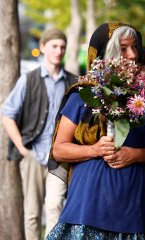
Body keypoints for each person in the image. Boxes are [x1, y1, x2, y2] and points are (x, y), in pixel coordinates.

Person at [46, 22, 145, 239]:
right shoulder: (83, 96)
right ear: (105, 54)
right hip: (87, 208)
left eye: (135, 46)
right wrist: (95, 149)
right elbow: (59, 150)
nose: (133, 55)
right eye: (124, 48)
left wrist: (136, 155)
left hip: (134, 209)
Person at [1, 28, 77, 239]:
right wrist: (23, 150)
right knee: (32, 214)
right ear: (43, 47)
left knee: (55, 209)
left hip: (59, 158)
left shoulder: (73, 83)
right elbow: (7, 115)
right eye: (54, 46)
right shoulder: (29, 79)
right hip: (33, 155)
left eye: (62, 47)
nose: (59, 51)